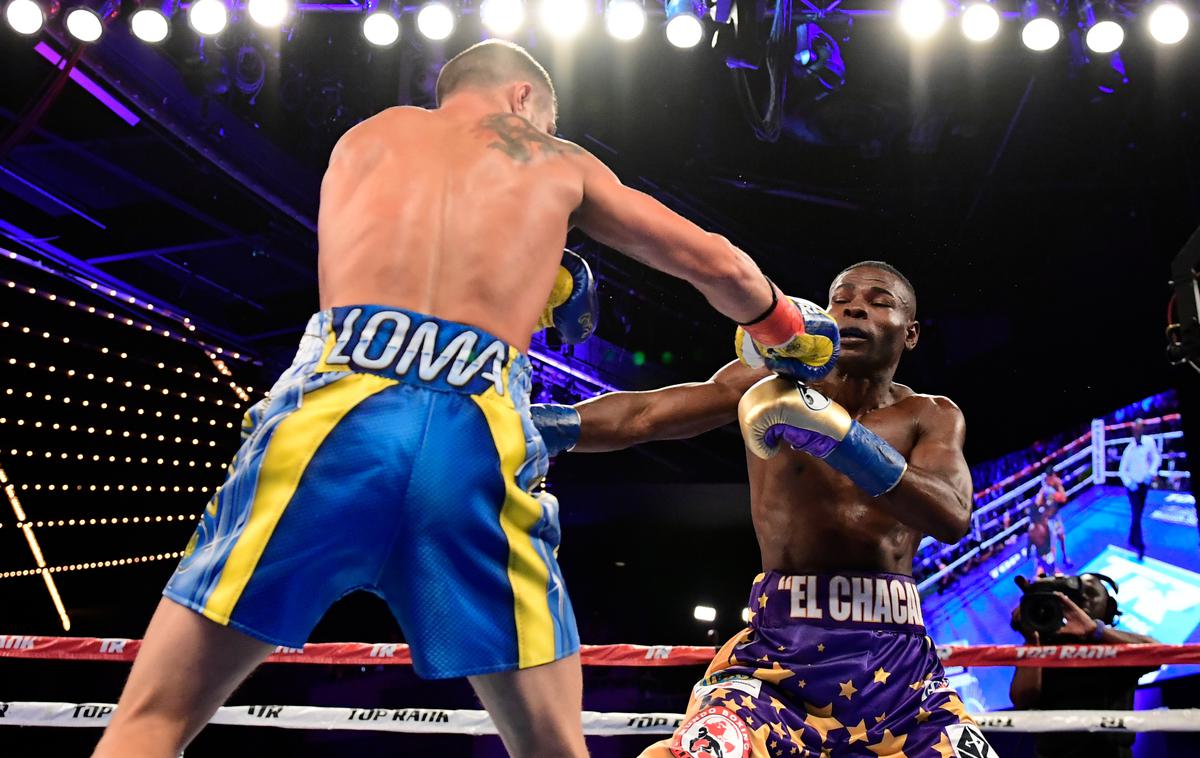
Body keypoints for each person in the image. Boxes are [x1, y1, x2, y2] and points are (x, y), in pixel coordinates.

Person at [92, 39, 830, 758]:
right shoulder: (556, 160)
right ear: (523, 98)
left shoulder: (363, 140)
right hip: (475, 431)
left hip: (329, 414)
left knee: (151, 721)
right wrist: (786, 328)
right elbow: (715, 261)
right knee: (551, 746)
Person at [535, 262, 996, 756]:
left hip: (898, 670)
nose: (855, 307)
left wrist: (838, 437)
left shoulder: (931, 414)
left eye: (880, 301)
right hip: (778, 656)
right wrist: (543, 427)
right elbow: (644, 416)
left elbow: (951, 514)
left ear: (911, 334)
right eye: (841, 298)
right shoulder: (772, 383)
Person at [1009, 574, 1157, 758]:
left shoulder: (1118, 648)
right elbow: (1023, 699)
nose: (1084, 598)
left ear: (1109, 607)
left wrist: (1096, 630)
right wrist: (1032, 642)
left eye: (1092, 593)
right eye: (1078, 594)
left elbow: (1158, 654)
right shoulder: (1046, 647)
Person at [1118, 419, 1161, 561]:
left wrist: (1151, 472)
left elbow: (1156, 458)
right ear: (1133, 431)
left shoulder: (1149, 442)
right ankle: (1140, 546)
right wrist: (1129, 483)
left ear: (1142, 429)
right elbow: (1122, 471)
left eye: (1139, 428)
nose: (1137, 431)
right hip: (1133, 488)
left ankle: (1132, 539)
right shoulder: (1128, 450)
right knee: (1136, 513)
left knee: (1137, 514)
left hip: (1144, 485)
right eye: (1135, 429)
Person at [1034, 471, 1070, 567]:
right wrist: (1059, 486)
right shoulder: (1048, 490)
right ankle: (1054, 567)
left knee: (1062, 537)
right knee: (1052, 544)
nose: (1055, 478)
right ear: (1049, 479)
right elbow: (1063, 498)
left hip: (1055, 518)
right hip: (1050, 521)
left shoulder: (1050, 488)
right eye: (1053, 477)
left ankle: (1065, 558)